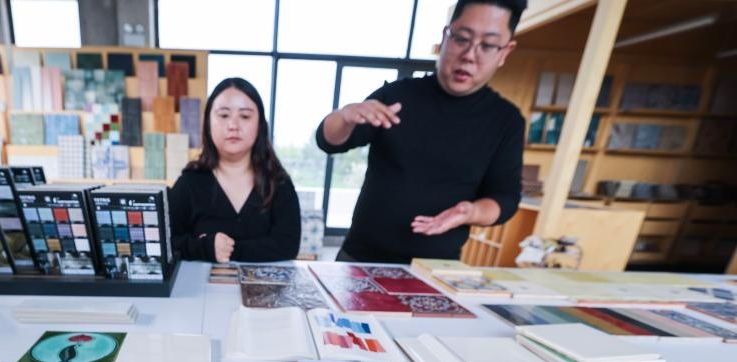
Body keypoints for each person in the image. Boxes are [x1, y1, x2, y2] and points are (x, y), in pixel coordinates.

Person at [316, 0, 528, 264]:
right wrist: (344, 116)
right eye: (462, 39)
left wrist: (470, 212)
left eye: (487, 45)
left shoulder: (506, 120)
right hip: (361, 256)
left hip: (436, 266)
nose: (469, 55)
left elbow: (505, 198)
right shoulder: (397, 95)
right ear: (445, 36)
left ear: (505, 52)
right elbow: (328, 141)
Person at [169, 77, 301, 263]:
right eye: (224, 115)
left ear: (260, 125)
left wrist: (229, 250)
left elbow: (287, 246)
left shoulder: (278, 183)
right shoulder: (189, 183)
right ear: (208, 123)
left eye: (245, 116)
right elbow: (167, 243)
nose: (233, 125)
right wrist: (204, 248)